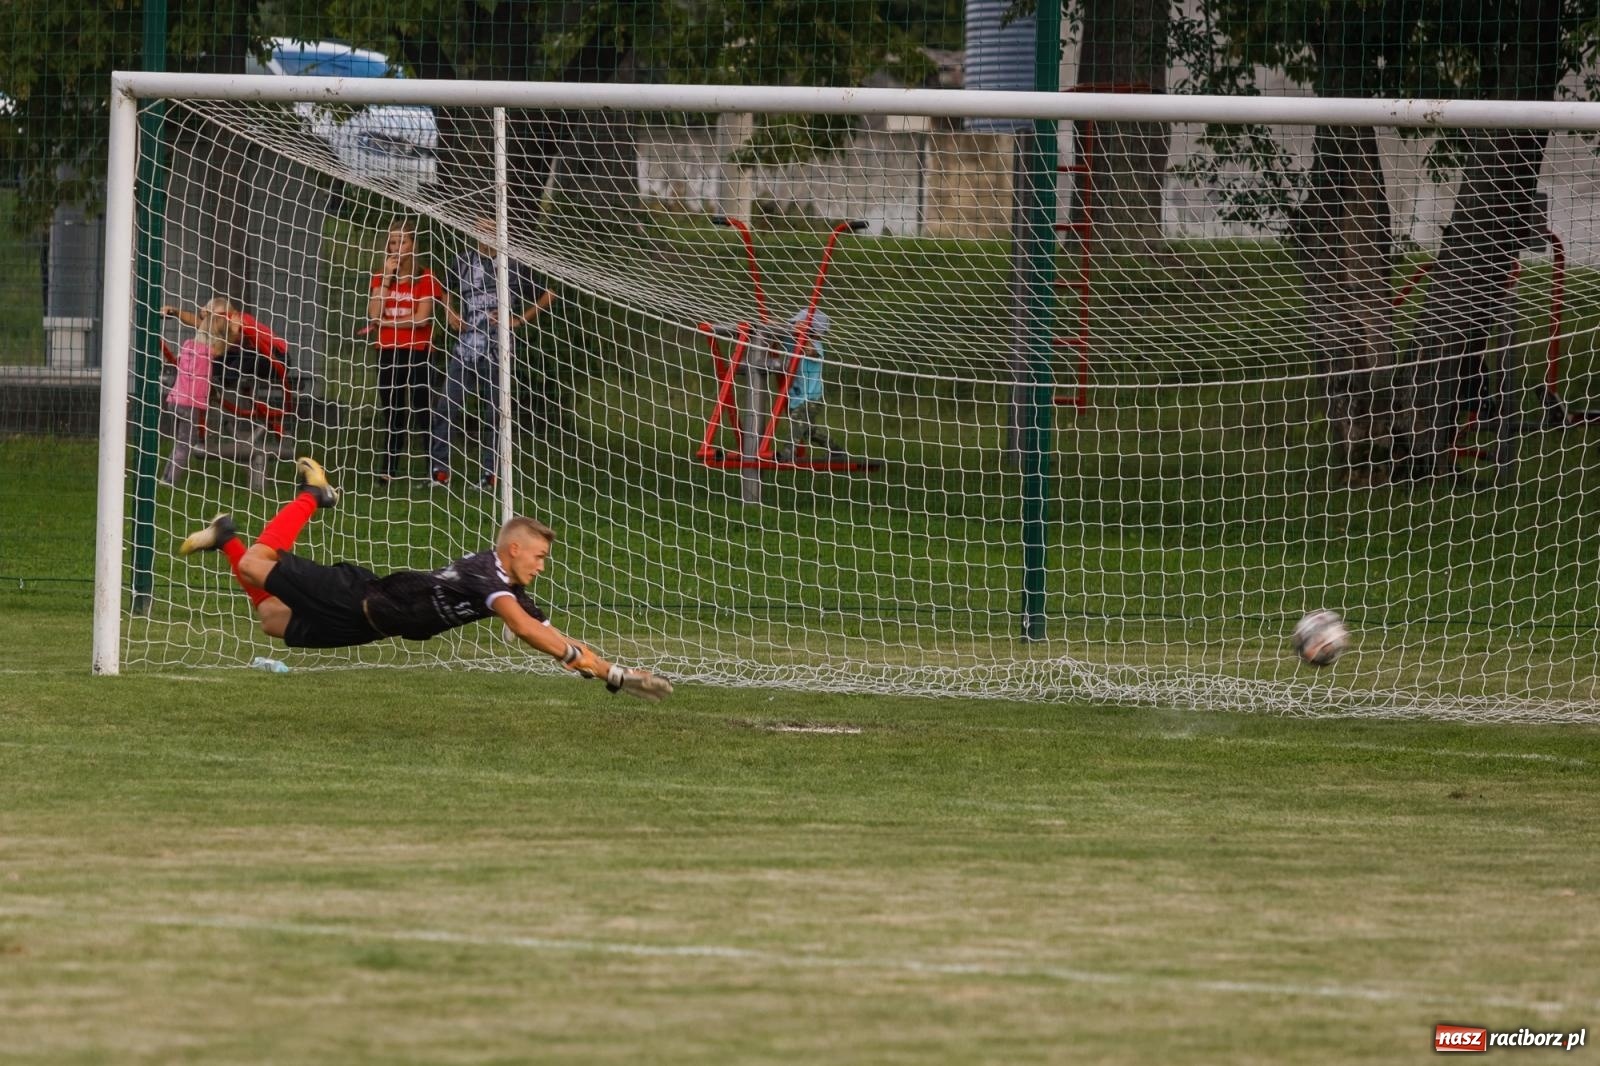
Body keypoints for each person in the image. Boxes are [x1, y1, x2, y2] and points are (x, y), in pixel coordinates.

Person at [176, 456, 673, 700]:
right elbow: (525, 629)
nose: (542, 566)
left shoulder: (510, 587)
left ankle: (226, 537)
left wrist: (613, 673)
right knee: (255, 565)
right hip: (357, 596)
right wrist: (571, 656)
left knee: (271, 619)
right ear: (514, 548)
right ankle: (314, 496)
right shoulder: (488, 573)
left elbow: (550, 634)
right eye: (539, 556)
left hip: (367, 626)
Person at [430, 214, 556, 489]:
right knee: (446, 406)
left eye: (490, 231)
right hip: (465, 348)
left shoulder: (513, 266)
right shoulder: (463, 261)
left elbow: (548, 295)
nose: (484, 236)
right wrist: (451, 313)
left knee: (494, 413)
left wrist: (518, 320)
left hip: (498, 350)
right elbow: (443, 289)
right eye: (480, 231)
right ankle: (439, 473)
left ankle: (490, 475)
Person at [367, 218, 443, 484]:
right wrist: (387, 279)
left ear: (413, 245)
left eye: (403, 242)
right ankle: (388, 471)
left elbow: (421, 319)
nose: (397, 248)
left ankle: (435, 470)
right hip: (387, 350)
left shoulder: (426, 277)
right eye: (392, 242)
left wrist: (387, 323)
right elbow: (374, 313)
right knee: (392, 411)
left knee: (423, 410)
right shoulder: (381, 276)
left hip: (418, 350)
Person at [158, 296, 234, 485]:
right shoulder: (210, 349)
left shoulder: (189, 345)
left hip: (174, 400)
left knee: (179, 443)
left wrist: (177, 311)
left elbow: (195, 321)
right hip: (188, 404)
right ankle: (169, 481)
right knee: (184, 445)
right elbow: (228, 340)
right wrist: (234, 326)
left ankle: (165, 478)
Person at [777, 307, 841, 459]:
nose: (795, 326)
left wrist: (803, 334)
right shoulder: (790, 339)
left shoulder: (815, 344)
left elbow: (811, 352)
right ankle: (835, 449)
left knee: (797, 423)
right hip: (795, 397)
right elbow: (778, 327)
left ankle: (787, 453)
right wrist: (784, 326)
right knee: (809, 431)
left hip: (812, 398)